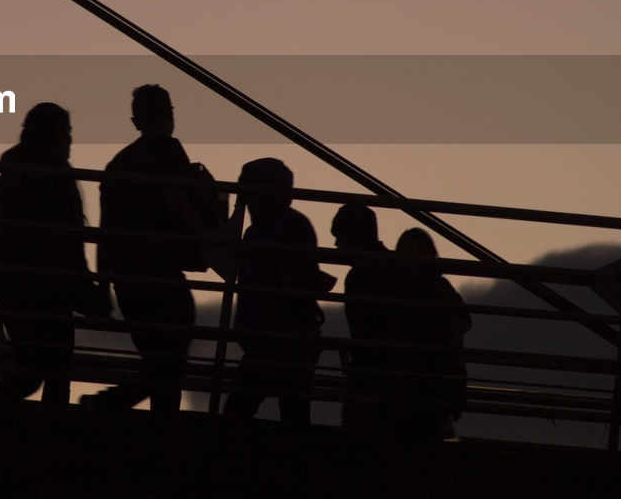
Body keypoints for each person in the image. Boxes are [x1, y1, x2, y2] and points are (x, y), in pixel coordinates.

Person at [0, 103, 107, 408]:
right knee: (52, 373)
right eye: (68, 132)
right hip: (52, 290)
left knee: (31, 368)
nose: (71, 140)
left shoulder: (13, 172)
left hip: (13, 287)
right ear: (56, 134)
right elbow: (68, 244)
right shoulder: (57, 178)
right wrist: (86, 293)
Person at [84, 85, 201, 415]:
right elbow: (182, 209)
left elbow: (106, 232)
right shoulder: (171, 154)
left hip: (128, 280)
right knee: (170, 364)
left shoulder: (119, 164)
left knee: (159, 361)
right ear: (170, 115)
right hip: (162, 274)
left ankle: (112, 405)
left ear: (135, 120)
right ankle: (111, 405)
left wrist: (104, 284)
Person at [222, 158, 323, 425]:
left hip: (284, 337)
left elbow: (297, 279)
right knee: (291, 410)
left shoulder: (284, 227)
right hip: (274, 337)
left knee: (246, 408)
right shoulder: (258, 230)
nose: (242, 192)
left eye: (248, 184)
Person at [391, 227, 471, 440]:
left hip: (430, 383)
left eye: (420, 250)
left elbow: (460, 326)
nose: (414, 255)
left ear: (431, 254)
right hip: (409, 383)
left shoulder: (440, 288)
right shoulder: (394, 287)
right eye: (408, 250)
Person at [331, 202, 397, 434]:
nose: (336, 245)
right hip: (390, 374)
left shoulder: (359, 276)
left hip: (373, 375)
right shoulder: (394, 267)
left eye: (340, 237)